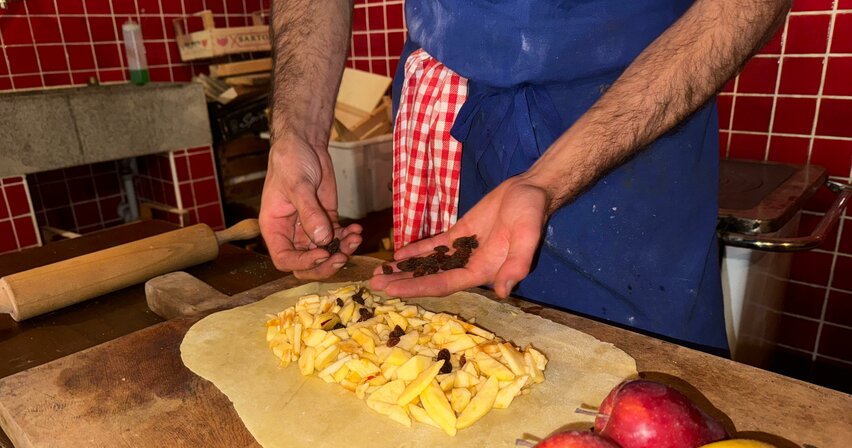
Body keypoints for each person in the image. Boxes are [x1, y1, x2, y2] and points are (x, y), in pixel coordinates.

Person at [260, 0, 791, 355]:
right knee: (442, 351)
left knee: (645, 373)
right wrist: (298, 135)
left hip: (631, 116)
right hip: (455, 111)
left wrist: (547, 180)